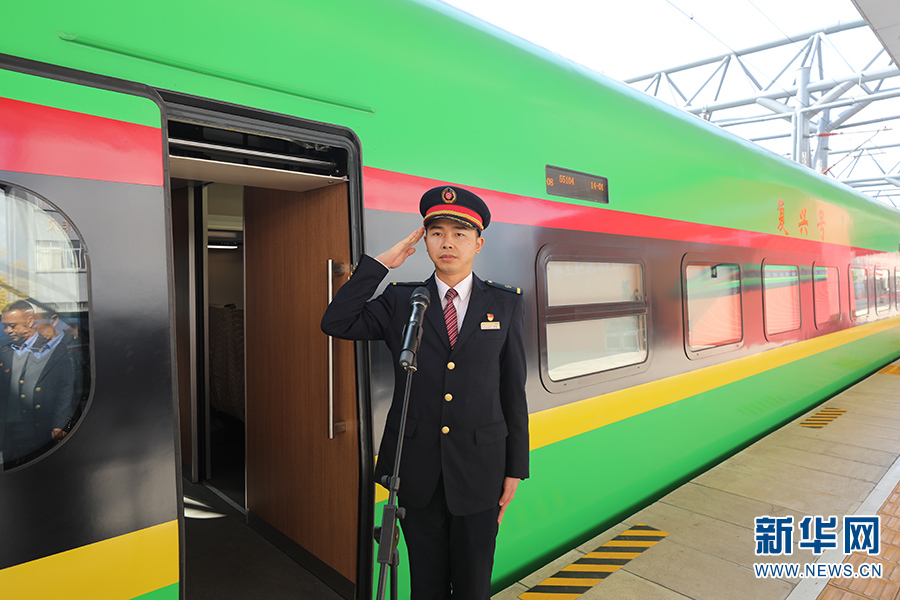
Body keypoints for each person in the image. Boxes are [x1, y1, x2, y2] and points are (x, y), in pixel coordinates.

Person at [321, 185, 529, 599]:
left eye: (459, 233)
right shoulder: (402, 301)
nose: (447, 243)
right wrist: (381, 265)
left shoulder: (504, 303)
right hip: (416, 471)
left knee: (472, 586)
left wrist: (515, 468)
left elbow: (513, 389)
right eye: (437, 233)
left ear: (478, 243)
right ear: (426, 240)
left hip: (480, 471)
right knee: (426, 586)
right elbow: (336, 322)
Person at [0, 300, 75, 467]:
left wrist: (60, 424)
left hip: (40, 430)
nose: (8, 330)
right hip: (10, 434)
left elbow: (65, 390)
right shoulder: (4, 353)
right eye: (5, 326)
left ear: (30, 321)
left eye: (13, 325)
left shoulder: (54, 349)